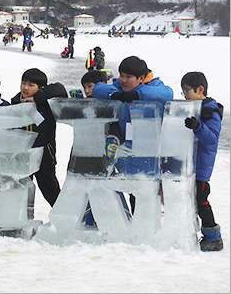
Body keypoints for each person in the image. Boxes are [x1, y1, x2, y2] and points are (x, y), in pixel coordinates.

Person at [92, 56, 173, 212]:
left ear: (141, 78)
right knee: (132, 191)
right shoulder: (118, 88)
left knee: (147, 194)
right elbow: (97, 89)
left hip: (148, 152)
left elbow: (167, 93)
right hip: (127, 150)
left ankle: (147, 229)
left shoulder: (154, 86)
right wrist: (114, 95)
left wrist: (138, 94)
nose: (123, 80)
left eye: (128, 77)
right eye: (122, 75)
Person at [10, 68, 68, 207]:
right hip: (22, 157)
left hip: (44, 157)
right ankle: (24, 222)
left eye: (31, 85)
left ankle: (62, 219)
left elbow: (60, 89)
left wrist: (38, 98)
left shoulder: (47, 104)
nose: (25, 88)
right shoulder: (16, 102)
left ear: (41, 88)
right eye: (23, 83)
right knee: (22, 193)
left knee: (50, 190)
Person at [181, 71, 223, 251]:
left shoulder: (209, 112)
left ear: (200, 89)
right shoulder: (194, 109)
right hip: (190, 166)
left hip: (202, 168)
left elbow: (211, 138)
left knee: (201, 201)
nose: (185, 96)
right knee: (191, 201)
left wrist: (198, 127)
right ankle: (190, 231)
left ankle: (213, 237)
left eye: (187, 91)